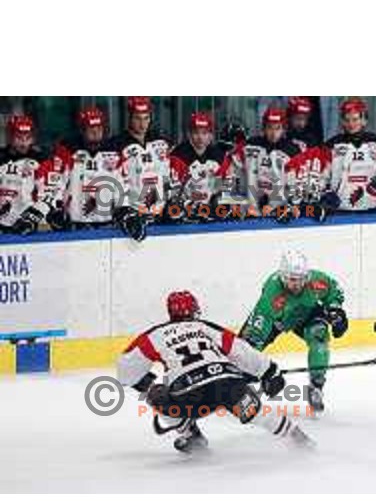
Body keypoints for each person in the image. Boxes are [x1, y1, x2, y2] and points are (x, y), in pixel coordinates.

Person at [117, 290, 311, 452]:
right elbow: (240, 349)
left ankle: (191, 435)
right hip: (226, 385)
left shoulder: (155, 335)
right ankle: (298, 438)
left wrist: (145, 384)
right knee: (256, 412)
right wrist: (269, 372)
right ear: (194, 309)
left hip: (188, 396)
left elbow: (125, 366)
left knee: (157, 394)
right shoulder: (204, 327)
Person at [240, 250, 347, 413]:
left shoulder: (316, 280)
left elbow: (333, 290)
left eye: (301, 279)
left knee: (320, 337)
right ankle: (236, 389)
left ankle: (316, 387)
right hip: (278, 321)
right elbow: (260, 323)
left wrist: (336, 310)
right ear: (283, 276)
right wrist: (253, 354)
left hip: (306, 315)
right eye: (292, 280)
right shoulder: (273, 292)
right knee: (245, 351)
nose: (297, 284)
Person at [48, 107, 145, 238]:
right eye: (91, 129)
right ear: (82, 130)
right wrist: (55, 208)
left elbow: (121, 186)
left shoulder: (113, 152)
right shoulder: (68, 151)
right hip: (74, 227)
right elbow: (57, 184)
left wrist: (126, 211)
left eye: (99, 129)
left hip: (108, 226)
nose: (95, 133)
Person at [220, 107, 304, 218]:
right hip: (249, 211)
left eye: (277, 128)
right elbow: (231, 171)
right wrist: (230, 199)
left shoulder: (293, 151)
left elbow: (298, 181)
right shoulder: (248, 146)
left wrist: (294, 204)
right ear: (263, 128)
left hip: (279, 212)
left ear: (284, 129)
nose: (273, 133)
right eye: (270, 128)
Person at [110, 97, 174, 228]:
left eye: (146, 118)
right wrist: (124, 211)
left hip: (160, 215)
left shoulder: (161, 142)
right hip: (133, 216)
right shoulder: (117, 145)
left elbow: (168, 174)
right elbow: (115, 182)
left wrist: (171, 199)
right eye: (137, 118)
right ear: (130, 118)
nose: (142, 124)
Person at [0, 114, 61, 235]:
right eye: (19, 138)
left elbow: (50, 194)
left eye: (27, 138)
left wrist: (31, 217)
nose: (24, 143)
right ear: (10, 137)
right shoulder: (1, 157)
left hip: (29, 225)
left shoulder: (42, 159)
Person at [321, 98, 376, 212]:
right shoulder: (331, 145)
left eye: (355, 119)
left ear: (364, 120)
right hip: (341, 208)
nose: (351, 124)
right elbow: (322, 176)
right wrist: (325, 192)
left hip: (371, 208)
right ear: (342, 121)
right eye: (347, 120)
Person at [170, 112, 228, 221]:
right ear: (189, 134)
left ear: (211, 135)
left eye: (204, 133)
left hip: (210, 211)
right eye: (196, 133)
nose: (200, 137)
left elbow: (223, 186)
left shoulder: (220, 156)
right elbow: (173, 191)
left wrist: (217, 199)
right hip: (184, 213)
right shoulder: (178, 155)